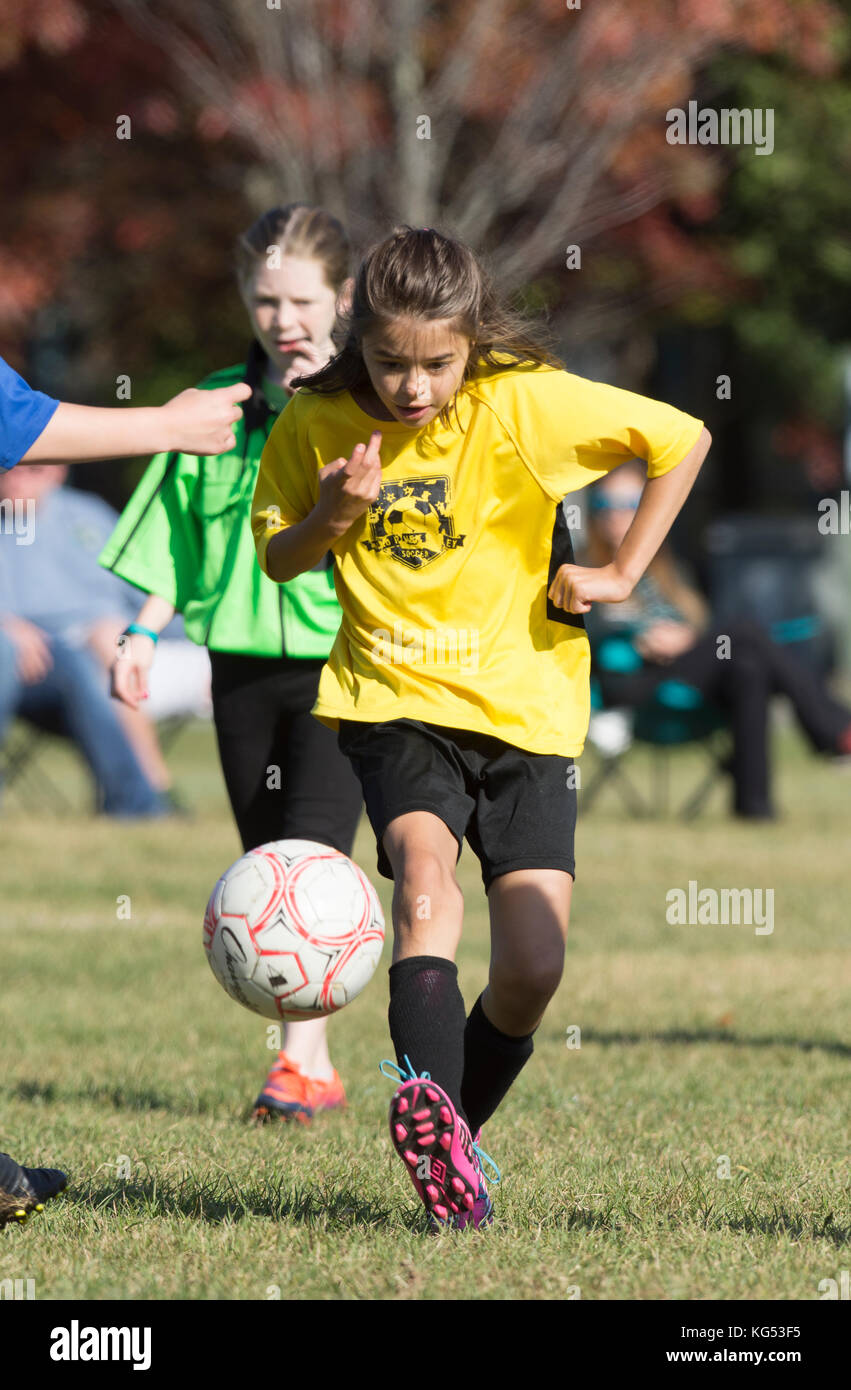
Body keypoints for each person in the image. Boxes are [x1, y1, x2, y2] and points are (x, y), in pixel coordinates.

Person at [252, 225, 712, 1229]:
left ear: (471, 343)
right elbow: (277, 558)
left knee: (531, 969)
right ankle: (443, 1157)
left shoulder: (521, 400)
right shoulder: (317, 420)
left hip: (528, 707)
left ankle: (444, 1137)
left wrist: (623, 571)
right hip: (392, 698)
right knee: (423, 885)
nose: (413, 390)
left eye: (436, 366)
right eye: (389, 364)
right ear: (355, 341)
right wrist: (330, 517)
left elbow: (682, 438)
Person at [103, 205, 362, 1123]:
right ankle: (315, 1064)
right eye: (265, 299)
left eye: (299, 300)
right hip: (237, 662)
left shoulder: (368, 402)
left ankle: (297, 1067)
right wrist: (141, 632)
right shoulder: (211, 404)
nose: (282, 319)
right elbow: (173, 535)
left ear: (339, 295)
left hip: (346, 660)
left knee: (314, 854)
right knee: (264, 858)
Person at [0, 346, 250, 1227]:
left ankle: (140, 797)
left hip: (76, 661)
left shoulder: (74, 520)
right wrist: (166, 427)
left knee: (89, 653)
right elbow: (12, 419)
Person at [584, 461, 851, 818]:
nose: (616, 516)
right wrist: (638, 638)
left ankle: (755, 809)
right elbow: (583, 631)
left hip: (685, 674)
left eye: (631, 504)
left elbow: (698, 623)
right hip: (630, 683)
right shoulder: (584, 568)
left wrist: (686, 640)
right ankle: (835, 730)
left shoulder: (666, 572)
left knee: (747, 664)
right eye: (606, 505)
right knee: (744, 631)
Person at [0, 463, 182, 809]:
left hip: (109, 641)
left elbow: (140, 590)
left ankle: (139, 800)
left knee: (108, 637)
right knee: (101, 646)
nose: (16, 477)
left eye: (32, 469)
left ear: (56, 471)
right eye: (6, 468)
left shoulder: (88, 514)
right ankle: (152, 790)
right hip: (36, 659)